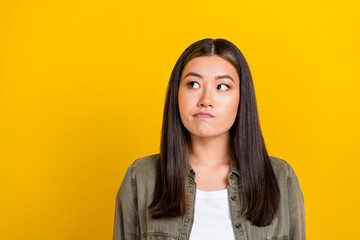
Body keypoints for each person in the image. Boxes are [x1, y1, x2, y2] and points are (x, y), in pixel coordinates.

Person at [112, 38, 305, 240]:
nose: (206, 100)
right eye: (193, 84)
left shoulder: (281, 178)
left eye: (222, 86)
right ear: (176, 94)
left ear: (242, 98)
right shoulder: (141, 178)